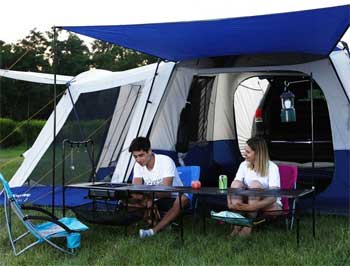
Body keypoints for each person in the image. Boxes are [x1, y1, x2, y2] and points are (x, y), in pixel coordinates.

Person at [128, 136, 190, 238]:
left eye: (141, 155)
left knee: (182, 199)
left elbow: (166, 191)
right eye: (135, 157)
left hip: (174, 195)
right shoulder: (138, 165)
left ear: (149, 151)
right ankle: (160, 224)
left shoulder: (165, 161)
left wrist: (148, 198)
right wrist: (147, 199)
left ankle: (153, 230)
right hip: (155, 198)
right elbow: (136, 190)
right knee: (126, 202)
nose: (138, 160)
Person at [227, 136, 282, 236]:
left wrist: (252, 207)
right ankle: (237, 223)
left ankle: (248, 225)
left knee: (255, 184)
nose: (244, 154)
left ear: (258, 153)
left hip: (267, 202)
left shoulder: (272, 168)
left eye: (248, 152)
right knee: (236, 183)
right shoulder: (243, 165)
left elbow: (273, 197)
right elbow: (233, 187)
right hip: (248, 200)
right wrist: (229, 203)